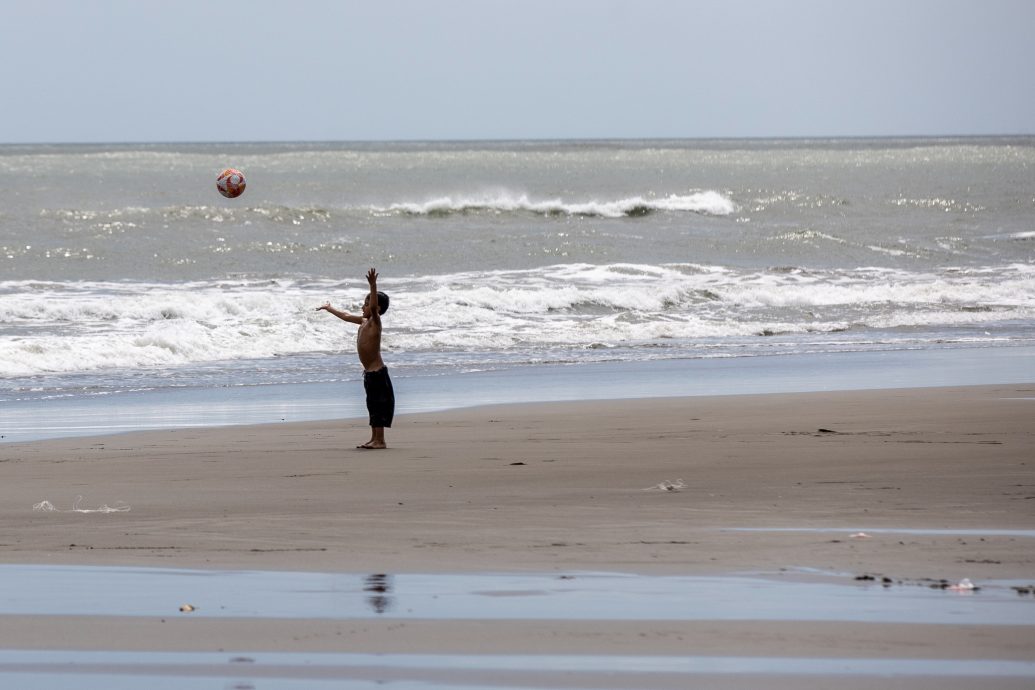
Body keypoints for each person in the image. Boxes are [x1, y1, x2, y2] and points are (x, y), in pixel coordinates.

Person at [317, 268, 394, 449]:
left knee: (379, 406)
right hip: (369, 373)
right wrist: (330, 309)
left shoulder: (375, 321)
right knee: (372, 406)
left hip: (377, 373)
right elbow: (345, 316)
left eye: (365, 304)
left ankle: (380, 440)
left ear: (376, 308)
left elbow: (374, 307)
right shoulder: (363, 321)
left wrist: (373, 286)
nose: (363, 307)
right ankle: (374, 437)